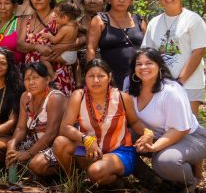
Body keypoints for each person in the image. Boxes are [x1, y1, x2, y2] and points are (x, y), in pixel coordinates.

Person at [127, 48, 206, 189]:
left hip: (190, 137)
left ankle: (191, 181)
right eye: (138, 64)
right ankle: (153, 179)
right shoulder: (132, 88)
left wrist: (154, 147)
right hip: (155, 135)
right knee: (118, 140)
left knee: (166, 162)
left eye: (148, 63)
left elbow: (181, 129)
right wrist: (147, 135)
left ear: (159, 66)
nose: (143, 67)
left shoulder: (171, 91)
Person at [53, 58, 145, 186]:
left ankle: (113, 181)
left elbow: (134, 123)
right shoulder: (78, 96)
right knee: (60, 143)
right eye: (91, 76)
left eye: (100, 76)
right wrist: (85, 139)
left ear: (109, 77)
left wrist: (147, 133)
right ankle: (75, 182)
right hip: (90, 151)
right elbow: (65, 127)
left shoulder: (122, 97)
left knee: (96, 171)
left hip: (120, 152)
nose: (96, 80)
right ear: (85, 78)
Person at [142, 0, 206, 115]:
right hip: (161, 85)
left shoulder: (193, 20)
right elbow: (148, 54)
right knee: (166, 126)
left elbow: (198, 52)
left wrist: (179, 82)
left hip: (189, 83)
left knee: (189, 128)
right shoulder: (154, 23)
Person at [5, 62, 68, 179]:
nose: (31, 82)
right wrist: (12, 143)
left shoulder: (55, 97)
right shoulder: (25, 97)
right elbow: (21, 128)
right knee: (10, 153)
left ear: (47, 79)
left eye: (36, 78)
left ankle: (60, 177)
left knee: (36, 164)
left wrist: (28, 154)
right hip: (35, 142)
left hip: (55, 145)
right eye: (27, 79)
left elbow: (51, 134)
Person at [19, 0, 77, 95]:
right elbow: (19, 45)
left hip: (57, 72)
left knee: (59, 107)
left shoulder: (60, 17)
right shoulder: (27, 20)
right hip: (32, 75)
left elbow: (82, 36)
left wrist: (68, 45)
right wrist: (36, 47)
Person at [86, 0, 146, 90]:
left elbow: (148, 49)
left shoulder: (139, 20)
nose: (121, 0)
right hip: (110, 78)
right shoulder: (100, 20)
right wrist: (93, 74)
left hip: (138, 76)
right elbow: (90, 49)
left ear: (131, 0)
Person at [40, 0, 81, 66]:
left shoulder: (65, 28)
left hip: (66, 56)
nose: (54, 18)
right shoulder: (75, 24)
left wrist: (49, 36)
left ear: (65, 17)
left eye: (56, 16)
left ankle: (51, 74)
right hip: (72, 54)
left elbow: (55, 41)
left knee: (43, 58)